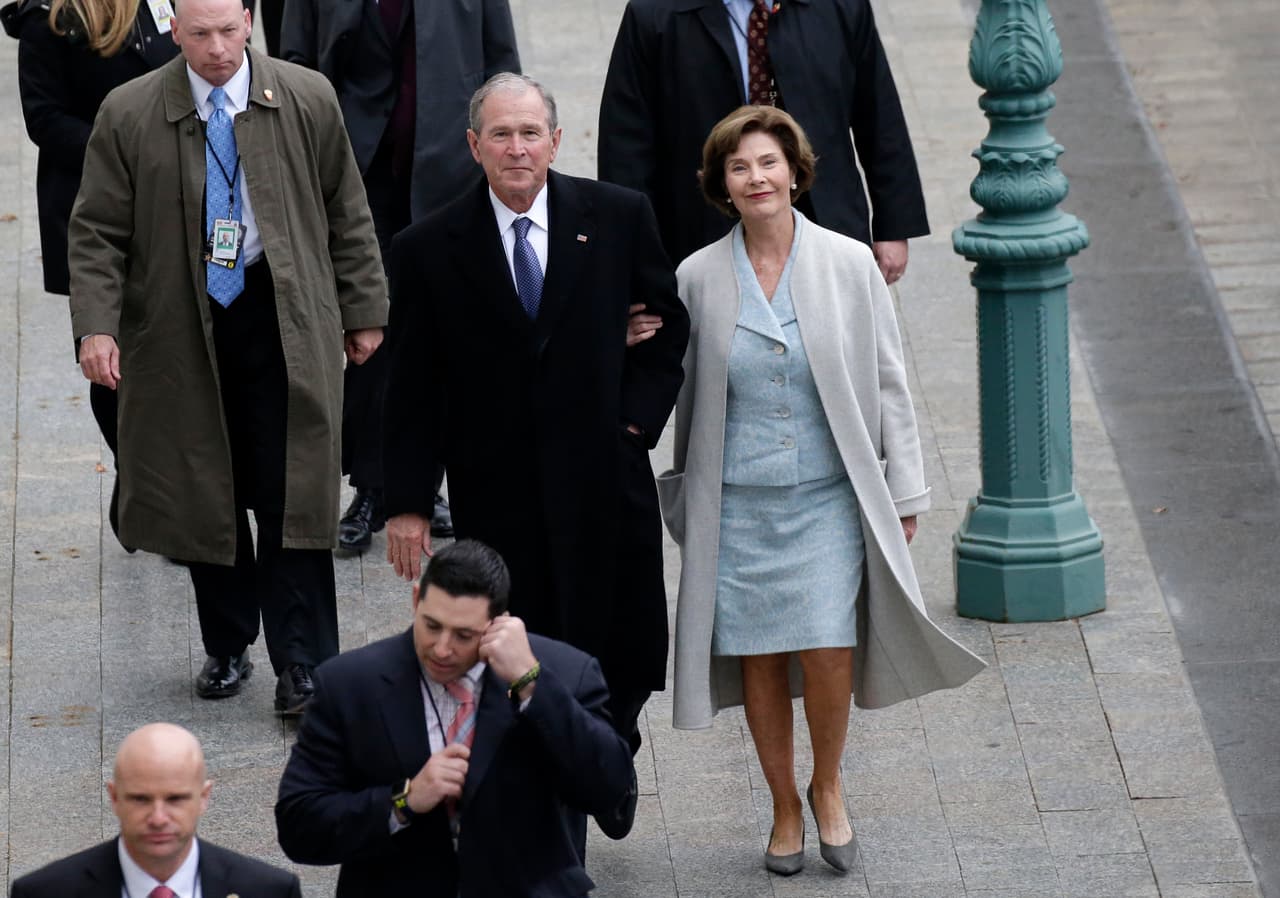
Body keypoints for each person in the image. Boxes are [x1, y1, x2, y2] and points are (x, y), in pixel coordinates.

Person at [660, 106, 984, 876]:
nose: (756, 178)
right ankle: (781, 806)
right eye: (739, 168)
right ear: (722, 186)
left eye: (768, 163)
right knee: (759, 660)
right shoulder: (696, 278)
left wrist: (903, 490)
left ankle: (828, 784)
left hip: (829, 497)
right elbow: (672, 386)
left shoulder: (847, 263)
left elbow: (888, 379)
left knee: (831, 650)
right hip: (737, 503)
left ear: (796, 171)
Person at [67, 0, 387, 713]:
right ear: (174, 30)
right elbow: (95, 231)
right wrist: (97, 327)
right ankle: (228, 641)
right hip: (181, 327)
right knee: (201, 486)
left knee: (292, 492)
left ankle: (304, 664)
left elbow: (347, 207)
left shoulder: (305, 96)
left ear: (250, 21)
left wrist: (363, 308)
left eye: (228, 30)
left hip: (283, 321)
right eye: (199, 33)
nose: (216, 49)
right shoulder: (130, 111)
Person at [382, 73, 689, 757]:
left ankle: (607, 751)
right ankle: (555, 782)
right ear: (473, 145)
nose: (516, 148)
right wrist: (406, 502)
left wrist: (632, 426)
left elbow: (667, 328)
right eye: (500, 134)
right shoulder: (427, 249)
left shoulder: (616, 216)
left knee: (621, 646)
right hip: (499, 491)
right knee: (522, 645)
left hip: (604, 477)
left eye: (529, 133)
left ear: (555, 141)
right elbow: (410, 385)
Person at [281, 0, 519, 552]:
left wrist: (502, 163)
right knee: (369, 329)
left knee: (444, 332)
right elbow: (296, 59)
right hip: (357, 173)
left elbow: (503, 66)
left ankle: (426, 482)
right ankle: (373, 484)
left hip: (448, 175)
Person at [276, 539, 637, 896]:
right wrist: (403, 801)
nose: (443, 648)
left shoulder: (566, 673)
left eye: (464, 635)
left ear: (498, 624)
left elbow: (608, 789)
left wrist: (531, 684)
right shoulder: (349, 685)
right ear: (417, 599)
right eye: (432, 625)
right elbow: (299, 824)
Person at [3, 0, 178, 548]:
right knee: (111, 360)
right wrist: (126, 150)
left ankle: (159, 485)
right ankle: (146, 484)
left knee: (176, 351)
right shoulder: (50, 22)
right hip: (92, 212)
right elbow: (44, 120)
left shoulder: (167, 7)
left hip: (175, 204)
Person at [597, 0, 928, 283]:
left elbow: (879, 115)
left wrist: (893, 226)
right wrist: (634, 255)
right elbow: (626, 146)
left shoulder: (840, 5)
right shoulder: (653, 14)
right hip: (700, 229)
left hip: (828, 219)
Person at [10, 722, 301, 898]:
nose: (158, 818)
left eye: (175, 799)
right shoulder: (45, 893)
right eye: (140, 799)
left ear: (204, 797)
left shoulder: (267, 891)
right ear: (114, 797)